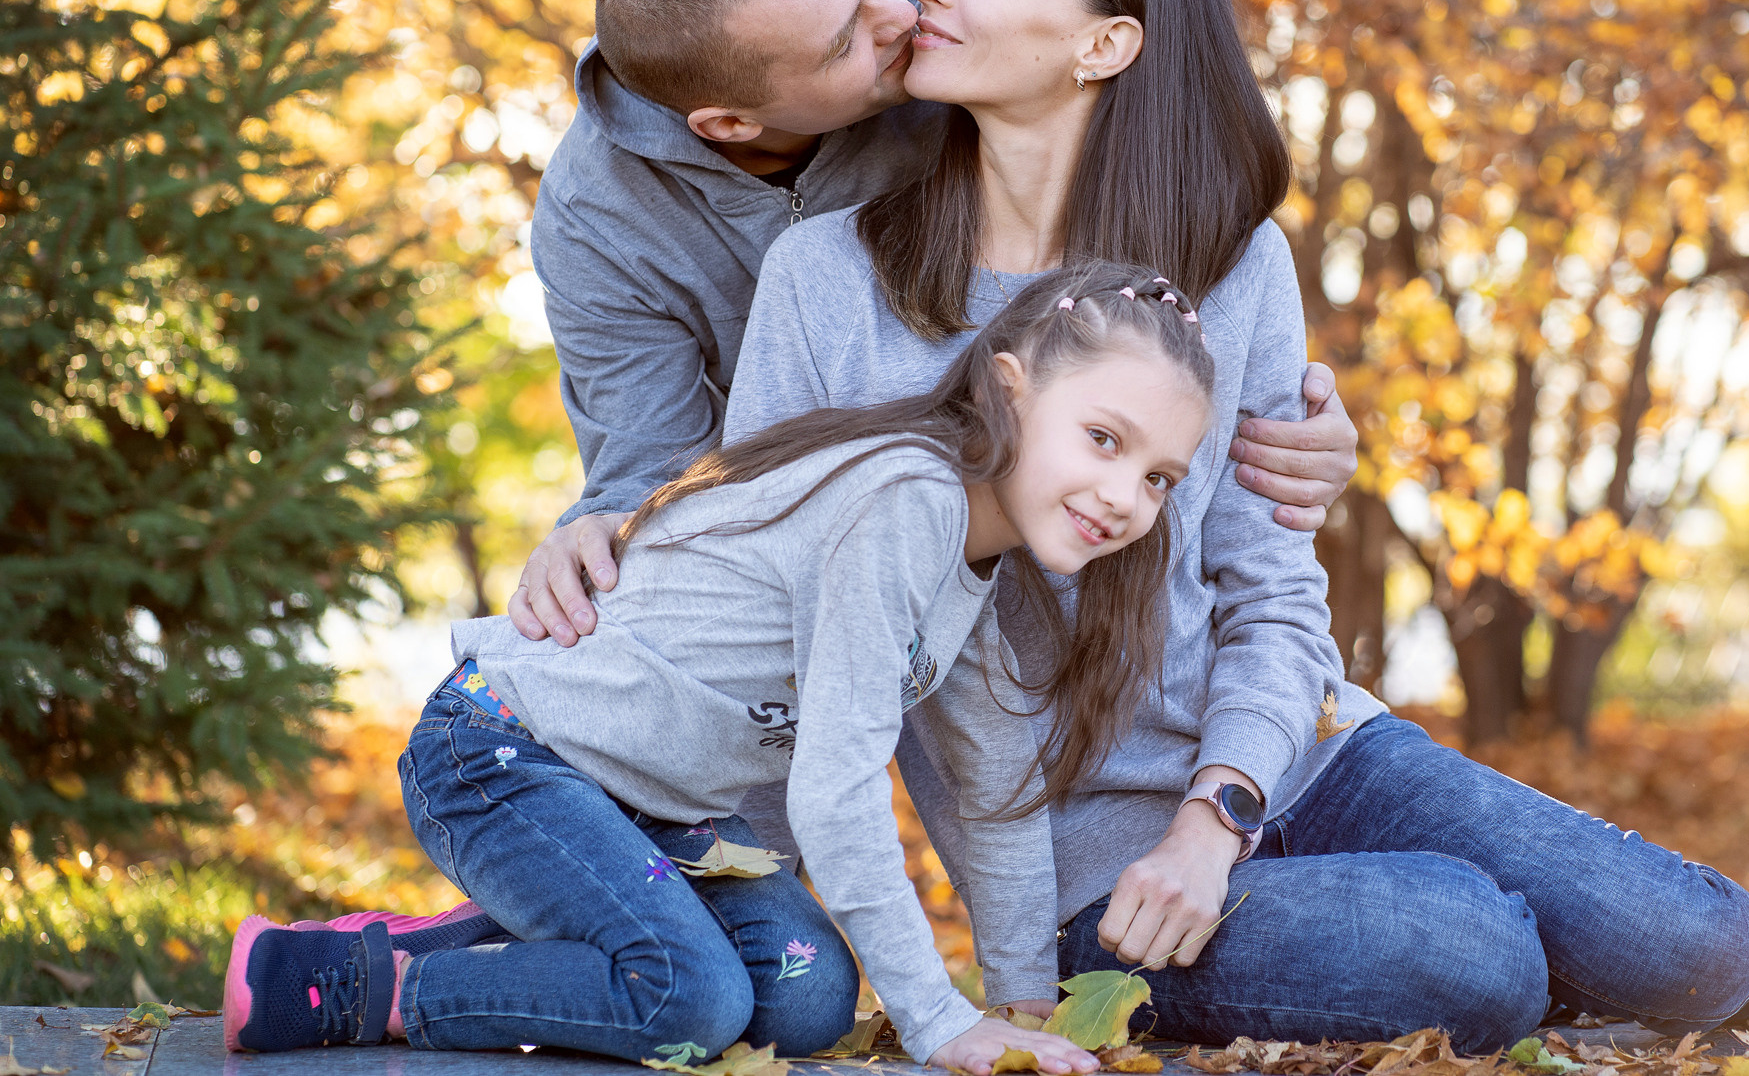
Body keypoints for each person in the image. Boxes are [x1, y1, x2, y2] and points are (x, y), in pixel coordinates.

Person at [724, 0, 1749, 1049]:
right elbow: (765, 607)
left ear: (1105, 44)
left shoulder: (1226, 269)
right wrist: (739, 897)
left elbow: (1270, 593)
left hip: (1301, 754)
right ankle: (1560, 968)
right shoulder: (828, 282)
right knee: (1468, 950)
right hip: (1086, 871)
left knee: (1695, 938)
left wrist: (1217, 810)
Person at [221, 261, 1217, 1072]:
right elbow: (834, 795)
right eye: (1102, 439)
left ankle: (518, 924)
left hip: (650, 810)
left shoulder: (971, 569)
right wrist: (939, 1021)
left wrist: (1023, 1005)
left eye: (1157, 476)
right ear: (1010, 386)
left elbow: (995, 787)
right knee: (687, 997)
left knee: (808, 995)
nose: (1125, 495)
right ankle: (358, 978)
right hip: (505, 750)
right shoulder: (905, 503)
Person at [503, 0, 1359, 650]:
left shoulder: (950, 30)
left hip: (1131, 629)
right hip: (884, 586)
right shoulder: (600, 220)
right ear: (729, 125)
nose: (906, 12)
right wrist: (605, 531)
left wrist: (1252, 419)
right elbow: (670, 482)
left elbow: (1130, 87)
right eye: (850, 40)